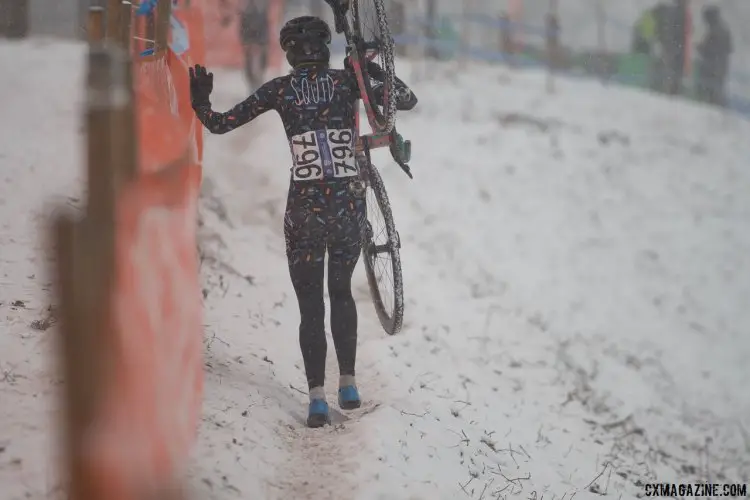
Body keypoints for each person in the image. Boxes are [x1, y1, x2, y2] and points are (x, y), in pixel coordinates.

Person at [189, 14, 418, 428]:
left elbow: (219, 125)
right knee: (342, 293)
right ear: (326, 47)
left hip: (304, 211)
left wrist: (201, 101)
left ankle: (316, 399)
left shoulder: (280, 89)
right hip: (348, 206)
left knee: (310, 305)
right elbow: (405, 100)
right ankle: (348, 385)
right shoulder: (348, 81)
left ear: (288, 52)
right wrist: (370, 71)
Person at [695, 6, 733, 107]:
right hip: (721, 66)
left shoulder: (714, 31)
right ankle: (717, 106)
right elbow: (729, 48)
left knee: (711, 90)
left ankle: (714, 106)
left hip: (712, 67)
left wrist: (700, 48)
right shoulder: (723, 29)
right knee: (717, 89)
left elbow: (708, 49)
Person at [239, 0, 269, 91]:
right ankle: (253, 87)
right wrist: (248, 42)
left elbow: (264, 27)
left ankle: (257, 86)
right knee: (251, 69)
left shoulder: (261, 9)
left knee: (258, 69)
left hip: (259, 43)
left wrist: (262, 43)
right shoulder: (248, 10)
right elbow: (244, 27)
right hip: (253, 43)